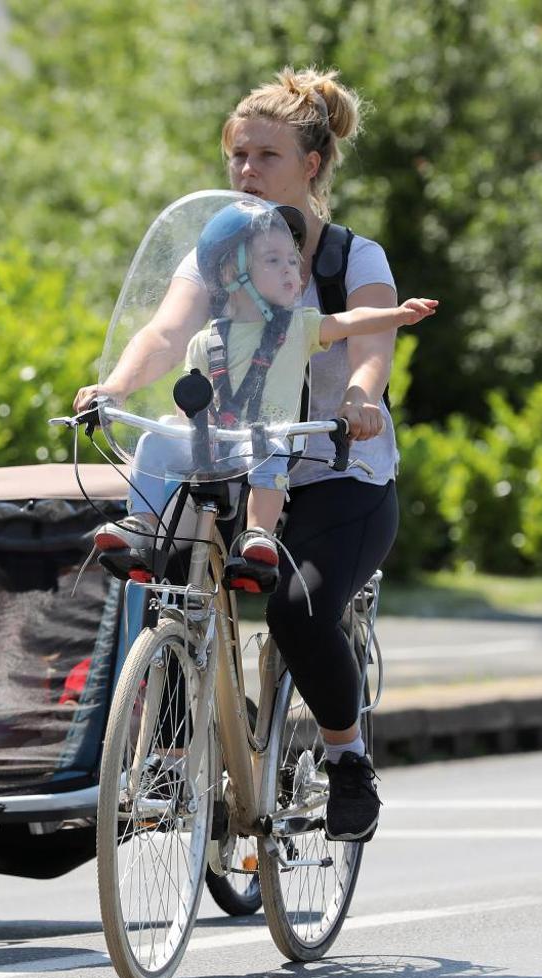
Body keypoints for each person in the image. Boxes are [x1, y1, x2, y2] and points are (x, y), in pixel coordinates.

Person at [75, 67, 403, 841]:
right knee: (167, 578)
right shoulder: (219, 251)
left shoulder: (354, 256)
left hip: (331, 471)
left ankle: (346, 756)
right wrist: (113, 383)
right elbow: (164, 332)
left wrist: (360, 400)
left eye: (265, 156)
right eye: (237, 157)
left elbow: (372, 347)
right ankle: (179, 733)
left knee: (295, 608)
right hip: (235, 456)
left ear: (312, 165)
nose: (246, 172)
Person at [93, 198, 435, 579]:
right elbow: (193, 401)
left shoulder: (299, 326)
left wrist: (398, 315)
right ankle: (141, 526)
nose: (292, 271)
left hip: (262, 438)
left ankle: (258, 535)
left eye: (293, 260)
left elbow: (349, 320)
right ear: (229, 274)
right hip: (218, 442)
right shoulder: (206, 341)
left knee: (269, 445)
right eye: (273, 261)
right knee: (153, 443)